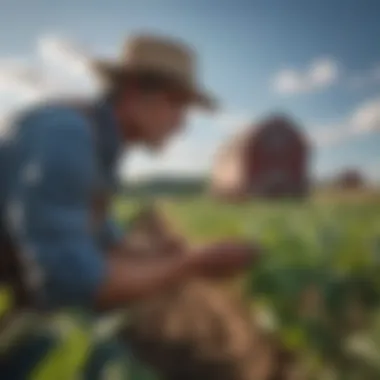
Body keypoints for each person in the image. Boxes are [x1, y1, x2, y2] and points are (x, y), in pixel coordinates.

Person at [0, 34, 257, 379]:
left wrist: (163, 255)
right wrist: (189, 264)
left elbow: (105, 241)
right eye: (176, 104)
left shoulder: (99, 144)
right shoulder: (66, 135)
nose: (182, 123)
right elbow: (72, 285)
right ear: (135, 91)